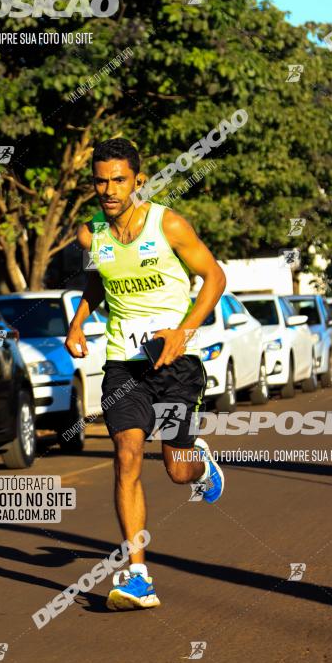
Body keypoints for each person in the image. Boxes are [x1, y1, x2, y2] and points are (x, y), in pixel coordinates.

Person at [65, 138, 226, 610]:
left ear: (138, 180)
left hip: (175, 364)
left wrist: (183, 331)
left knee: (176, 470)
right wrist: (78, 321)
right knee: (126, 456)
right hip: (123, 363)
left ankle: (199, 461)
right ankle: (138, 575)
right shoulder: (90, 234)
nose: (109, 189)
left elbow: (214, 277)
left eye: (119, 180)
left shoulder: (168, 224)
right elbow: (98, 279)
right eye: (101, 180)